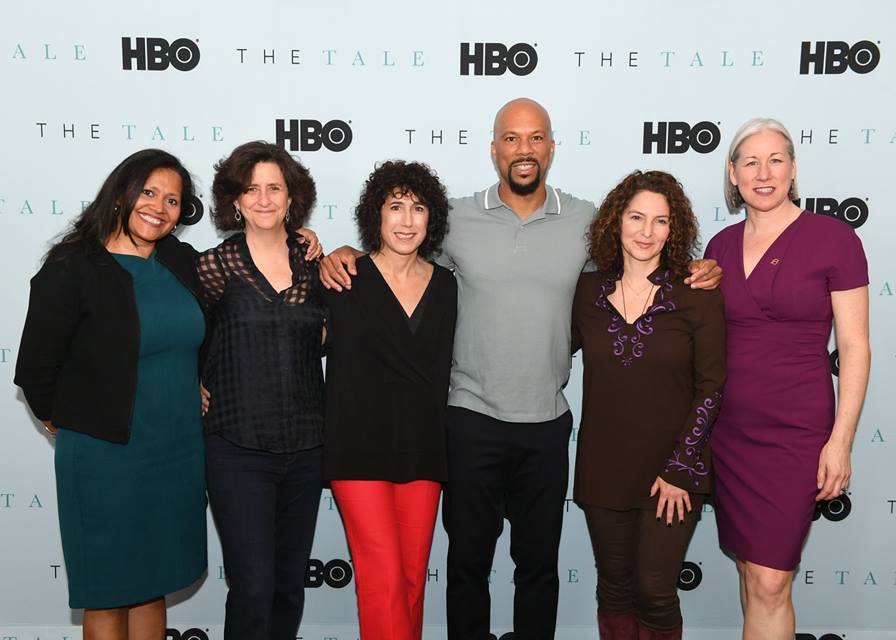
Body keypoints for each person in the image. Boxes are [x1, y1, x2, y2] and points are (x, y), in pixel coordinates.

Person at [320, 98, 721, 639]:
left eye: (535, 138)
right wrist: (343, 249)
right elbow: (397, 256)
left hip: (546, 424)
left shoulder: (585, 220)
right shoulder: (454, 217)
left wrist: (693, 265)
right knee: (466, 568)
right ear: (493, 149)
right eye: (511, 138)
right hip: (468, 419)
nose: (523, 149)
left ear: (552, 148)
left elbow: (639, 255)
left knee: (538, 571)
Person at [14, 149, 207, 640]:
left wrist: (313, 243)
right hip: (105, 456)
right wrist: (76, 421)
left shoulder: (181, 260)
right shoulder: (73, 266)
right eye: (148, 192)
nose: (158, 208)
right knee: (108, 588)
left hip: (177, 450)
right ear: (122, 192)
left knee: (152, 583)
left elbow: (220, 311)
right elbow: (36, 368)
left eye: (172, 200)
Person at [706, 118, 870, 639]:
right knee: (752, 572)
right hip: (729, 433)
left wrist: (839, 442)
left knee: (773, 581)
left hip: (797, 434)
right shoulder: (720, 247)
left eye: (775, 160)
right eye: (750, 162)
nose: (763, 173)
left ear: (794, 168)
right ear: (732, 174)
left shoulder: (834, 239)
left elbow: (855, 348)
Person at [571, 171, 725, 640]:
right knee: (614, 589)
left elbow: (712, 385)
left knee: (655, 590)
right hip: (603, 468)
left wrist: (680, 468)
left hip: (674, 472)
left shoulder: (697, 294)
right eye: (636, 217)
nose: (646, 231)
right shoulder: (586, 292)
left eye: (660, 221)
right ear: (615, 222)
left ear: (673, 230)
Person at [197, 140, 326, 640]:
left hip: (306, 447)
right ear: (235, 200)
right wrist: (191, 381)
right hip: (236, 447)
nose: (264, 198)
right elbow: (182, 332)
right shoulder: (212, 267)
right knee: (252, 586)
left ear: (292, 198)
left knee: (289, 586)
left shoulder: (316, 265)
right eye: (252, 189)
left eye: (275, 187)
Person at [324, 160, 457, 640]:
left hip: (423, 448)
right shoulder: (342, 278)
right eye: (395, 207)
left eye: (417, 208)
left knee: (410, 580)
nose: (406, 220)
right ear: (375, 216)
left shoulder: (447, 286)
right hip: (356, 448)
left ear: (431, 219)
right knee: (381, 578)